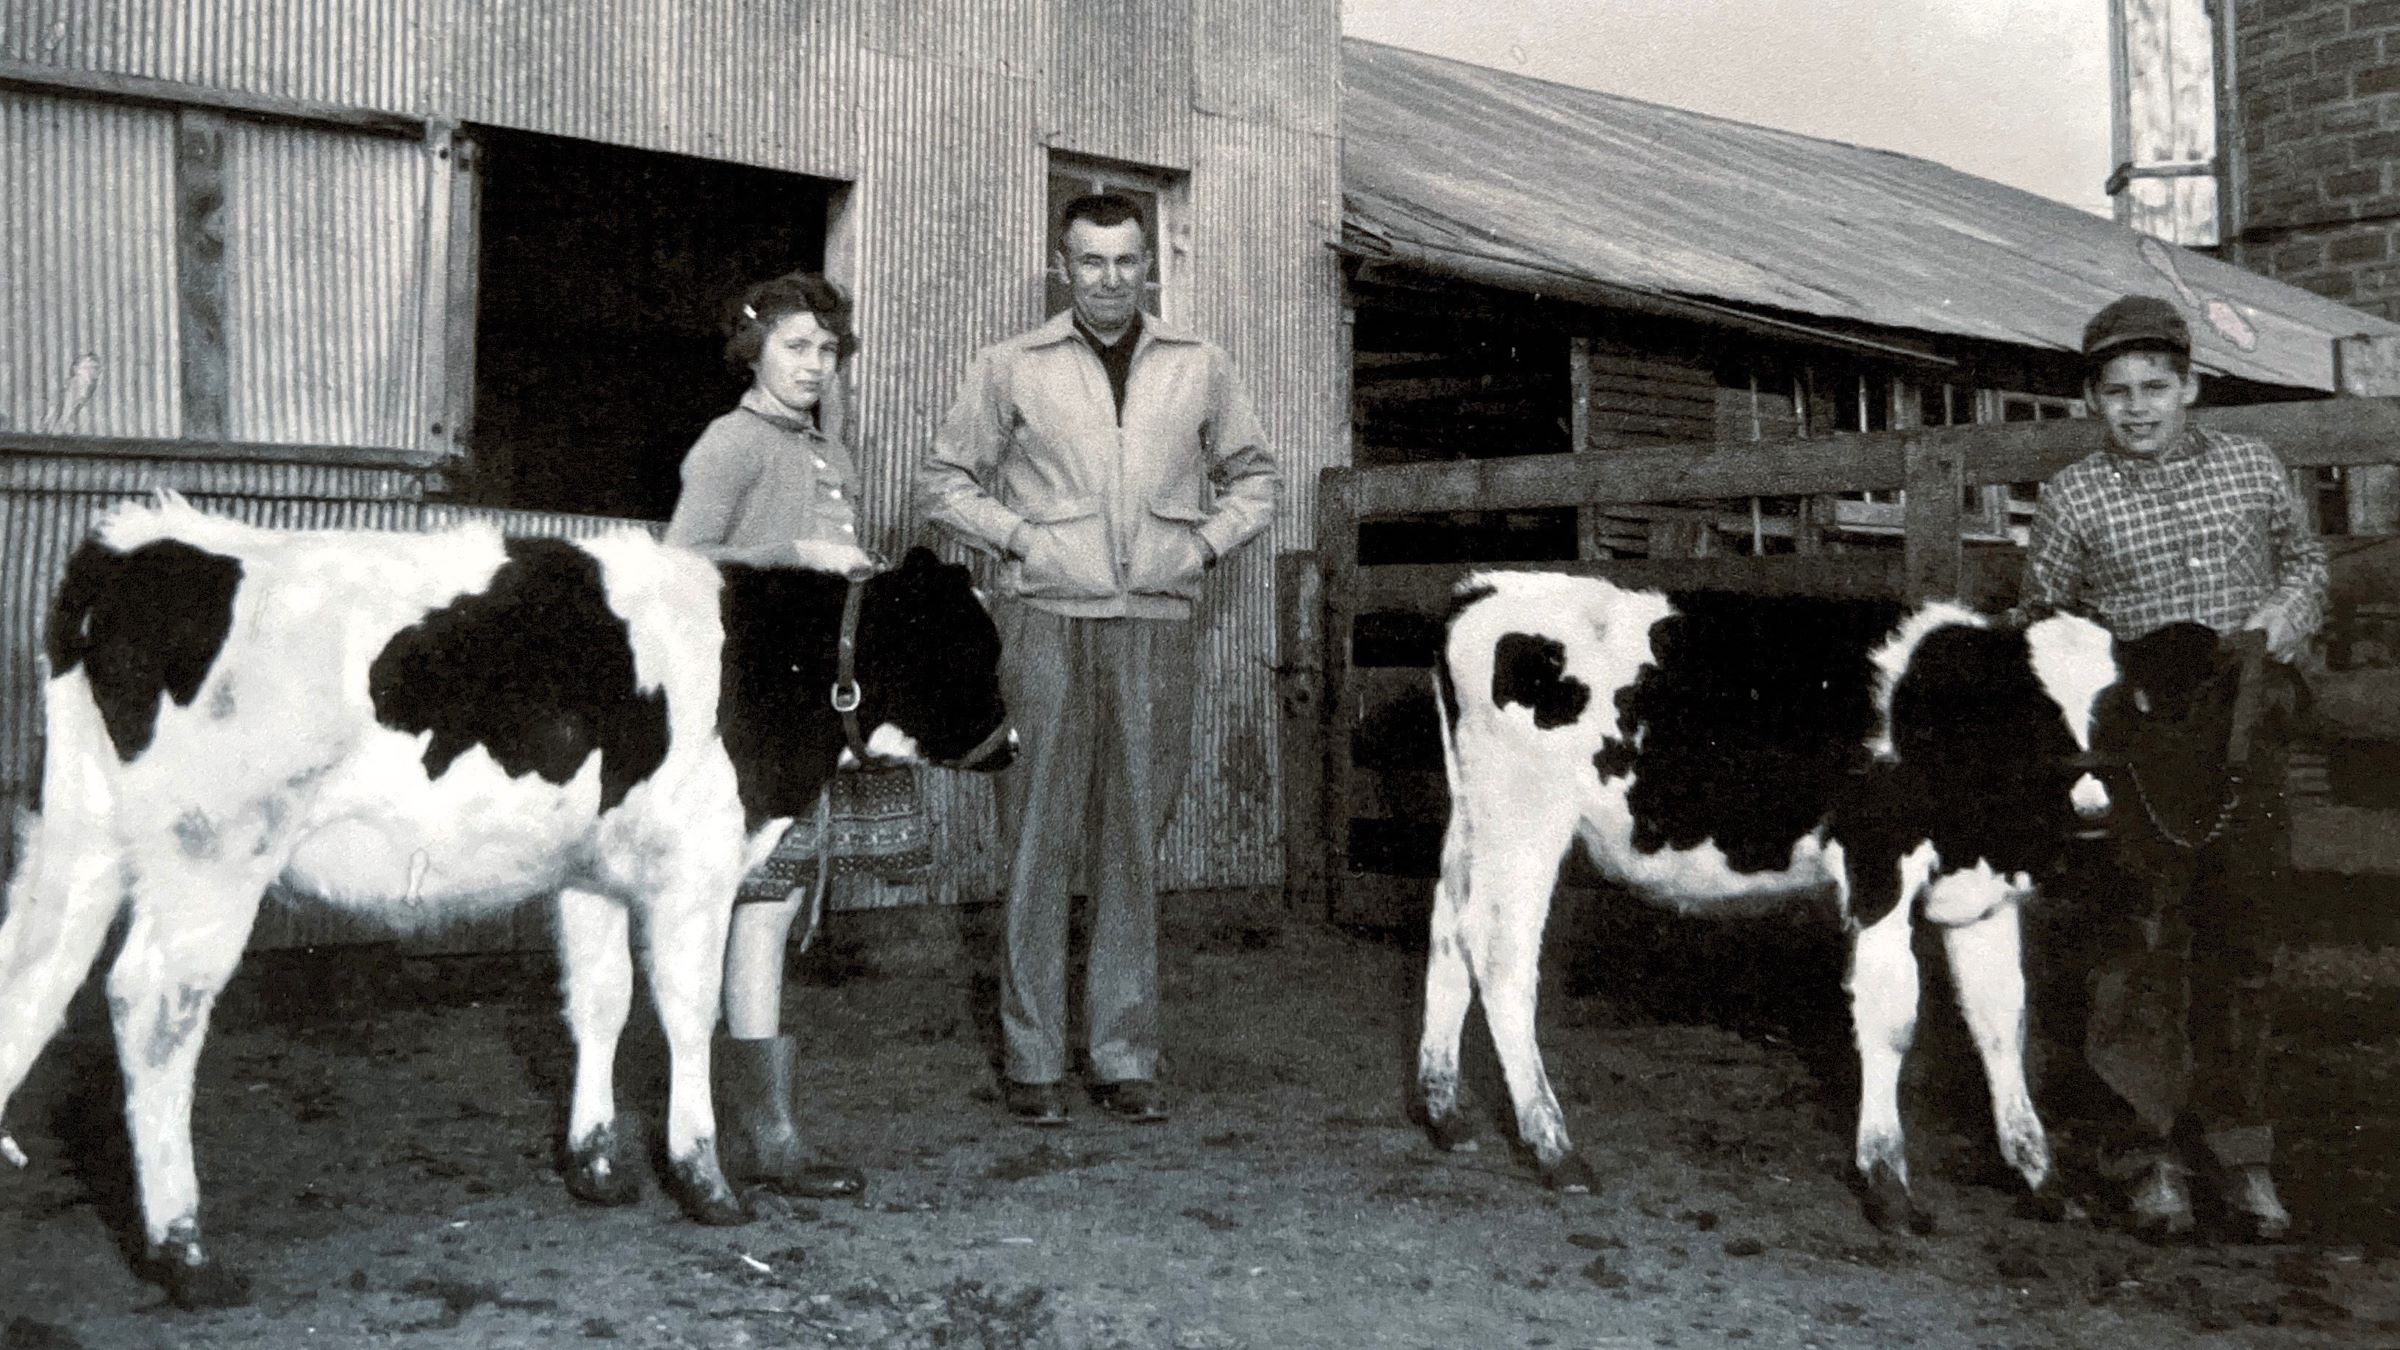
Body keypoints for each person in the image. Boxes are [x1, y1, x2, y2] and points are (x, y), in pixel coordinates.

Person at [916, 193, 1278, 1127]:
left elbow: (1258, 479)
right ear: (1061, 267)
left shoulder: (1200, 366)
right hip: (1044, 625)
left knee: (1132, 843)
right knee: (1037, 841)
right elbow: (942, 483)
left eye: (1127, 262)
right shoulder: (1010, 366)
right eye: (1091, 262)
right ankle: (1033, 1059)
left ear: (1149, 265)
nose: (1110, 280)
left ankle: (1124, 1055)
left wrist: (1198, 549)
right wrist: (1022, 542)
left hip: (1157, 627)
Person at [2021, 292, 2328, 1241]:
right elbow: (2043, 618)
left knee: (2241, 940)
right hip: (2141, 746)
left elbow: (2305, 563)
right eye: (2117, 392)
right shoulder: (2077, 496)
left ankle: (2243, 1156)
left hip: (2241, 733)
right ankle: (2146, 1152)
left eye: (2157, 386)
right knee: (2136, 944)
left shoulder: (2250, 467)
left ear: (2191, 386)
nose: (2139, 407)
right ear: (2094, 401)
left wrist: (2282, 623)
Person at [664, 270, 874, 1200]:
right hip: (736, 708)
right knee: (745, 904)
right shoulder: (731, 441)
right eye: (796, 347)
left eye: (827, 351)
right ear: (753, 352)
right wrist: (790, 556)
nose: (815, 365)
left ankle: (763, 1130)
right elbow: (676, 564)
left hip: (801, 711)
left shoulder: (827, 450)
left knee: (774, 905)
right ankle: (748, 1132)